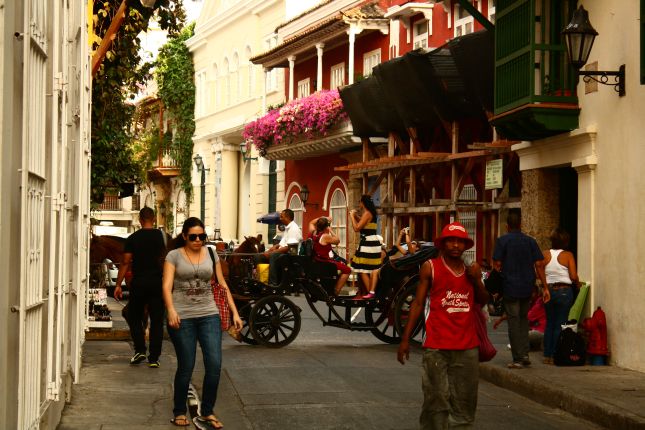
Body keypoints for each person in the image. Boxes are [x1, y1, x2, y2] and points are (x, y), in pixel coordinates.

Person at [397, 222, 489, 429]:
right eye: (451, 241)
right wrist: (405, 339)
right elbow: (418, 303)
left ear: (465, 246)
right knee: (436, 400)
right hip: (436, 345)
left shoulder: (472, 270)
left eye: (460, 242)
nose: (455, 245)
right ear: (443, 244)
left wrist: (476, 281)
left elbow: (483, 300)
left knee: (465, 402)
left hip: (467, 346)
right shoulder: (431, 267)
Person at [162, 217, 243, 428]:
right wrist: (171, 310)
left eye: (202, 236)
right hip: (183, 316)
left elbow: (222, 284)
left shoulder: (211, 252)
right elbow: (166, 286)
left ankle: (207, 411)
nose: (198, 240)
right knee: (186, 366)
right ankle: (179, 411)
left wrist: (235, 312)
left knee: (214, 365)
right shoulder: (174, 256)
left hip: (209, 314)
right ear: (184, 237)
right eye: (193, 237)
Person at [492, 209, 549, 369]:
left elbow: (497, 264)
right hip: (527, 287)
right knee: (524, 321)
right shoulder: (530, 241)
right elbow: (539, 264)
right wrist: (545, 287)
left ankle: (517, 357)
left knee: (514, 322)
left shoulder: (502, 241)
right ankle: (525, 354)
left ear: (507, 226)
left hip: (510, 286)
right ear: (521, 224)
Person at [114, 207, 167, 367]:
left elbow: (125, 262)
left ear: (140, 220)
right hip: (158, 283)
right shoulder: (163, 237)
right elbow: (168, 259)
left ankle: (140, 350)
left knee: (134, 316)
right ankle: (154, 358)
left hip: (139, 283)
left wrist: (118, 285)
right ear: (154, 219)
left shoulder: (133, 238)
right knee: (157, 320)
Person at [542, 227, 579, 365]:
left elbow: (538, 270)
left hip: (549, 290)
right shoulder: (568, 255)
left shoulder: (545, 254)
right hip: (564, 291)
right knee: (560, 323)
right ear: (565, 242)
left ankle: (547, 355)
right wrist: (578, 282)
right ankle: (556, 354)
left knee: (549, 323)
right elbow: (573, 276)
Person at [349, 195, 382, 299]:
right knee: (367, 269)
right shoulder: (369, 213)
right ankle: (371, 292)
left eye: (360, 202)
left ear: (363, 203)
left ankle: (371, 292)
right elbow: (363, 222)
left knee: (361, 268)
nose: (359, 204)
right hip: (371, 243)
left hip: (368, 243)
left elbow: (357, 228)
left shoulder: (367, 213)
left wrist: (351, 216)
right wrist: (355, 216)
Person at [308, 216, 352, 295]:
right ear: (326, 227)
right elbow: (337, 240)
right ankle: (336, 291)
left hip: (317, 260)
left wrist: (322, 218)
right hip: (325, 262)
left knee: (341, 263)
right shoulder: (325, 236)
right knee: (347, 270)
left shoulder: (313, 232)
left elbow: (311, 222)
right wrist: (330, 230)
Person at [368, 227, 419, 295]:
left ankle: (372, 292)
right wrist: (400, 234)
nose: (411, 244)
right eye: (412, 243)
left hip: (401, 272)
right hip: (398, 270)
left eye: (414, 244)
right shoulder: (407, 253)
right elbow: (397, 245)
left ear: (417, 248)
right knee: (373, 272)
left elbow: (408, 242)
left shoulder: (413, 254)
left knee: (375, 271)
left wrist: (406, 233)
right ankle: (371, 291)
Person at [262, 209, 302, 285]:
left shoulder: (294, 229)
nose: (280, 219)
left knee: (273, 256)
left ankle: (273, 283)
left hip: (291, 255)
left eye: (281, 217)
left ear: (287, 218)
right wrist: (271, 248)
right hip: (284, 252)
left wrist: (272, 252)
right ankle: (262, 280)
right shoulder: (287, 228)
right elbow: (282, 244)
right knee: (260, 256)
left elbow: (290, 248)